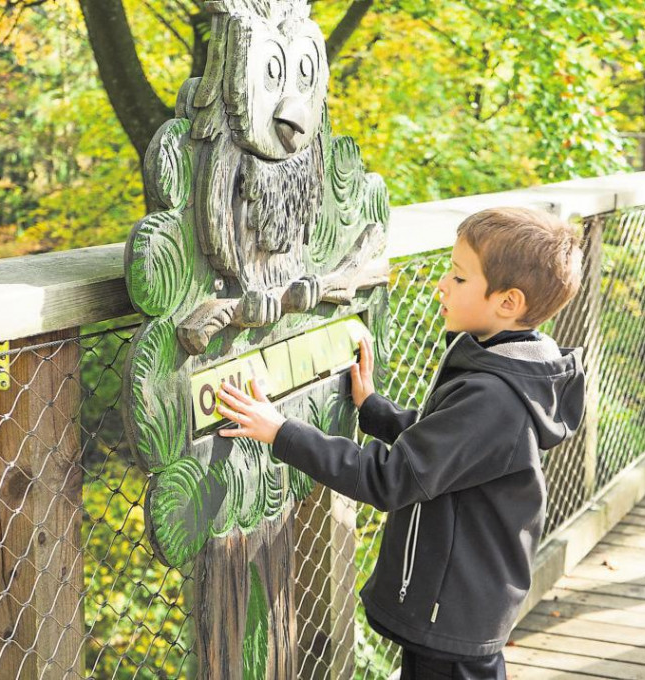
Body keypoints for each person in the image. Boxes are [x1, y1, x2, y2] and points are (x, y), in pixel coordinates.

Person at [215, 207, 586, 680]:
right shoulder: (508, 366)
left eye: (457, 277)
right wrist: (373, 408)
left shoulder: (494, 396)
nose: (442, 287)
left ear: (507, 302)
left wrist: (281, 432)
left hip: (454, 610)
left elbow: (390, 478)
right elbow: (445, 450)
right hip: (462, 600)